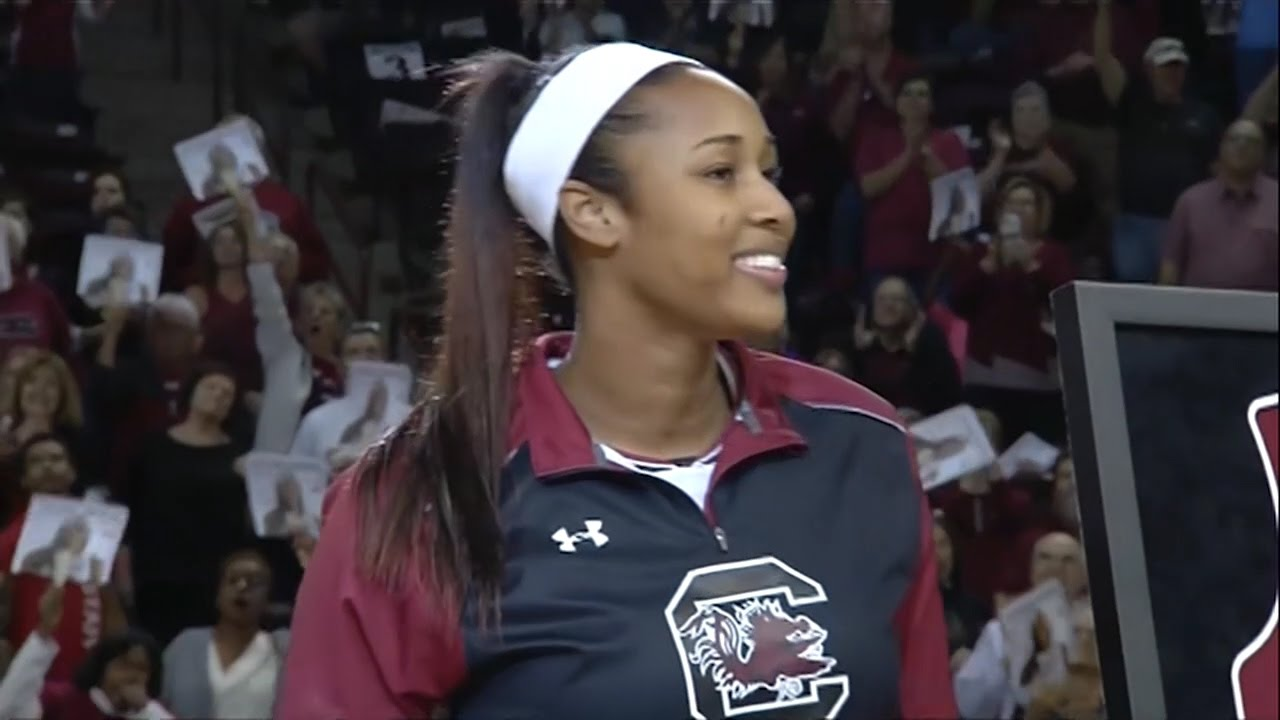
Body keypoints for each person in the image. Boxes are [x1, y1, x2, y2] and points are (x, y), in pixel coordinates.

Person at [278, 42, 955, 719]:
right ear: (592, 212)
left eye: (768, 171)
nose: (777, 208)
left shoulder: (862, 442)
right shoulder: (423, 494)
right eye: (721, 172)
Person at [124, 365, 251, 647]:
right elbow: (129, 515)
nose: (218, 396)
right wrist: (125, 576)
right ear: (191, 392)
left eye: (227, 393)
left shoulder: (241, 455)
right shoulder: (153, 446)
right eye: (211, 387)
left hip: (216, 578)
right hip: (157, 576)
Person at [1095, 4, 1223, 282]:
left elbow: (1218, 170)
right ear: (1149, 69)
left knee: (1182, 302)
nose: (1172, 73)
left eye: (1178, 67)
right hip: (1136, 221)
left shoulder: (1204, 115)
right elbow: (1103, 58)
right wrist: (1104, 6)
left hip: (1189, 224)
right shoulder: (1132, 104)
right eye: (1165, 67)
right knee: (1133, 295)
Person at [0, 436, 126, 681]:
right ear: (24, 480)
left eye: (56, 458)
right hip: (30, 672)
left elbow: (111, 601)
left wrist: (118, 657)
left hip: (87, 671)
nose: (47, 465)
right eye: (36, 461)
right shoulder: (10, 538)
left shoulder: (101, 530)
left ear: (72, 473)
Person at [0, 582, 170, 720]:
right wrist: (44, 632)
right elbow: (6, 707)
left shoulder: (151, 713)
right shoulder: (62, 700)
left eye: (142, 669)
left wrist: (142, 711)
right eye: (124, 665)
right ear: (104, 665)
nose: (132, 675)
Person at [161, 549, 289, 719]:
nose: (242, 587)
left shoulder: (282, 649)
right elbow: (159, 704)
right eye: (232, 580)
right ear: (218, 595)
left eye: (254, 582)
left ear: (268, 600)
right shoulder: (186, 645)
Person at [1159, 118, 1279, 291]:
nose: (1242, 145)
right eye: (1234, 139)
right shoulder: (1191, 201)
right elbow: (1170, 266)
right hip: (1198, 310)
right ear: (1221, 148)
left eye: (1251, 141)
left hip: (1266, 311)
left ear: (1263, 152)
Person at [835, 276, 961, 416]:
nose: (888, 305)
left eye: (896, 299)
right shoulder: (857, 344)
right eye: (881, 299)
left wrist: (914, 352)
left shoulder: (929, 342)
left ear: (910, 307)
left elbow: (949, 398)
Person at [260, 473, 316, 538]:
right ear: (280, 493)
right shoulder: (270, 518)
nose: (290, 493)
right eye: (286, 489)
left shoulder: (310, 517)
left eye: (293, 488)